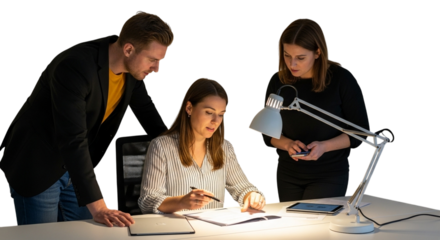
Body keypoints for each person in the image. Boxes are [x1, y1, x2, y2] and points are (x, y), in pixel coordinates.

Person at [0, 11, 175, 227]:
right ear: (128, 49)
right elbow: (72, 137)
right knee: (41, 237)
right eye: (153, 60)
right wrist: (99, 205)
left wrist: (179, 151)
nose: (157, 69)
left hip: (76, 166)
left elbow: (148, 114)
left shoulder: (131, 72)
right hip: (39, 163)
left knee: (88, 233)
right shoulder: (75, 66)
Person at [261, 18, 371, 202]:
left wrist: (324, 147)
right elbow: (266, 132)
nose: (292, 64)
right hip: (288, 173)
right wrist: (287, 144)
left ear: (318, 52)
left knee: (315, 226)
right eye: (287, 56)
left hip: (329, 174)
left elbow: (360, 132)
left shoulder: (341, 80)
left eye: (300, 58)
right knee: (291, 228)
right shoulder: (279, 82)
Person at [138, 77, 267, 214]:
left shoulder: (225, 147)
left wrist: (252, 196)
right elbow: (147, 201)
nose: (215, 121)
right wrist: (181, 202)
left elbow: (243, 188)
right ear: (189, 108)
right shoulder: (162, 146)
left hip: (214, 231)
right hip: (179, 230)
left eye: (221, 115)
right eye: (209, 113)